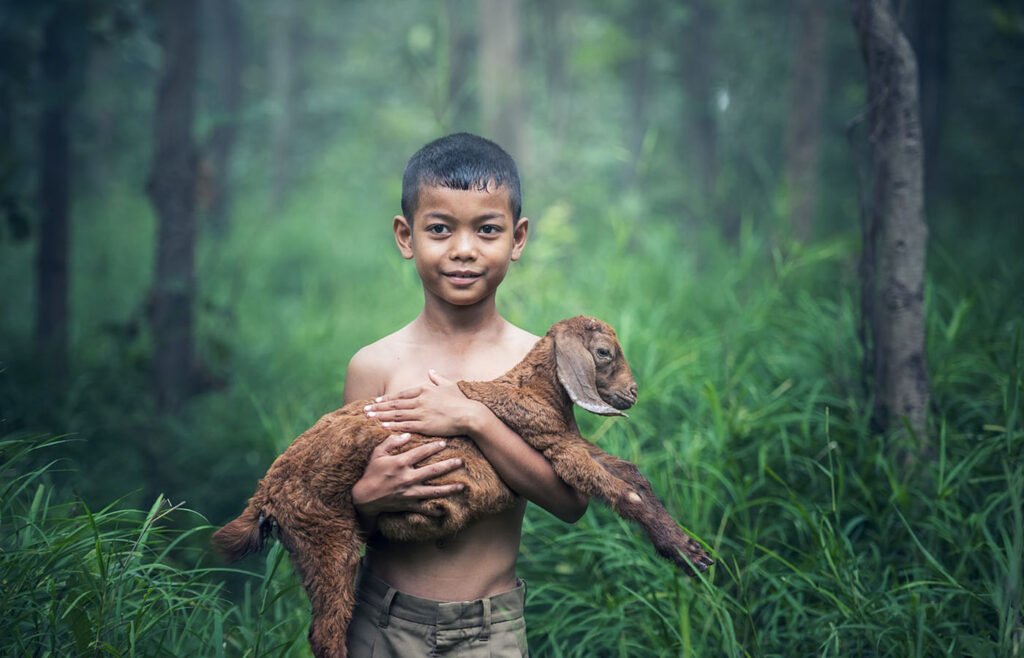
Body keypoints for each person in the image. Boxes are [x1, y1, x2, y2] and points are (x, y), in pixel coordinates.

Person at [342, 133, 588, 656]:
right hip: (380, 622)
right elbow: (336, 518)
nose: (463, 249)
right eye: (439, 229)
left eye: (487, 229)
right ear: (405, 236)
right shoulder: (374, 365)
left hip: (490, 630)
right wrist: (367, 500)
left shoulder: (538, 363)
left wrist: (476, 419)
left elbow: (571, 501)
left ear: (517, 239)